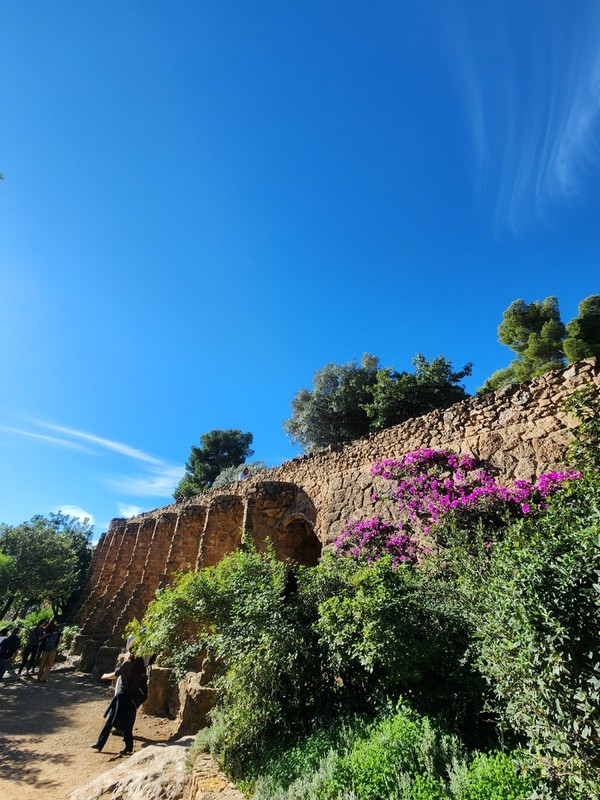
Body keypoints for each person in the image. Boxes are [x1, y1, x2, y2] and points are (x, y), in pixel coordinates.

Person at [91, 651, 148, 755]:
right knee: (128, 723)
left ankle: (100, 743)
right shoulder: (141, 664)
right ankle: (127, 747)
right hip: (132, 698)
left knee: (111, 720)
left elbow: (115, 674)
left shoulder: (128, 663)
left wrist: (104, 676)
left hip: (122, 696)